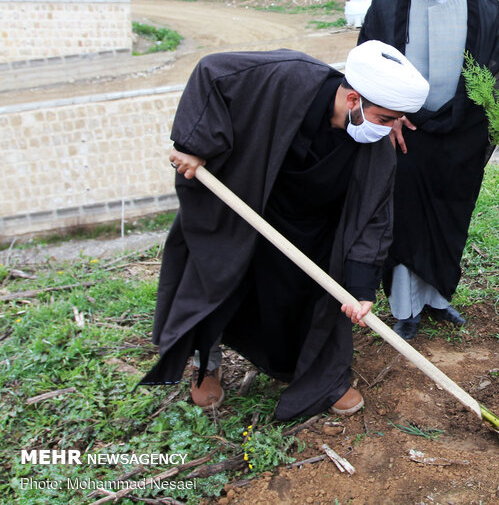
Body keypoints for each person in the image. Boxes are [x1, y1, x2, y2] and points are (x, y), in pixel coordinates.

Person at [139, 42, 429, 420]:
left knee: (307, 298)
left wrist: (359, 288)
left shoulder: (374, 145)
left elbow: (374, 217)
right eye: (387, 118)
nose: (392, 129)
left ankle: (320, 377)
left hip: (312, 226)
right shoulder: (286, 76)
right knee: (215, 281)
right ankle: (205, 363)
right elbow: (212, 71)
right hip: (246, 201)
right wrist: (195, 145)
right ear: (354, 98)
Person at [358, 0, 499, 340]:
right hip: (406, 133)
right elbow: (366, 61)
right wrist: (388, 114)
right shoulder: (388, 1)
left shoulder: (484, 7)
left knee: (449, 214)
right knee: (405, 219)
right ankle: (406, 309)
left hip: (460, 134)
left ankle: (438, 300)